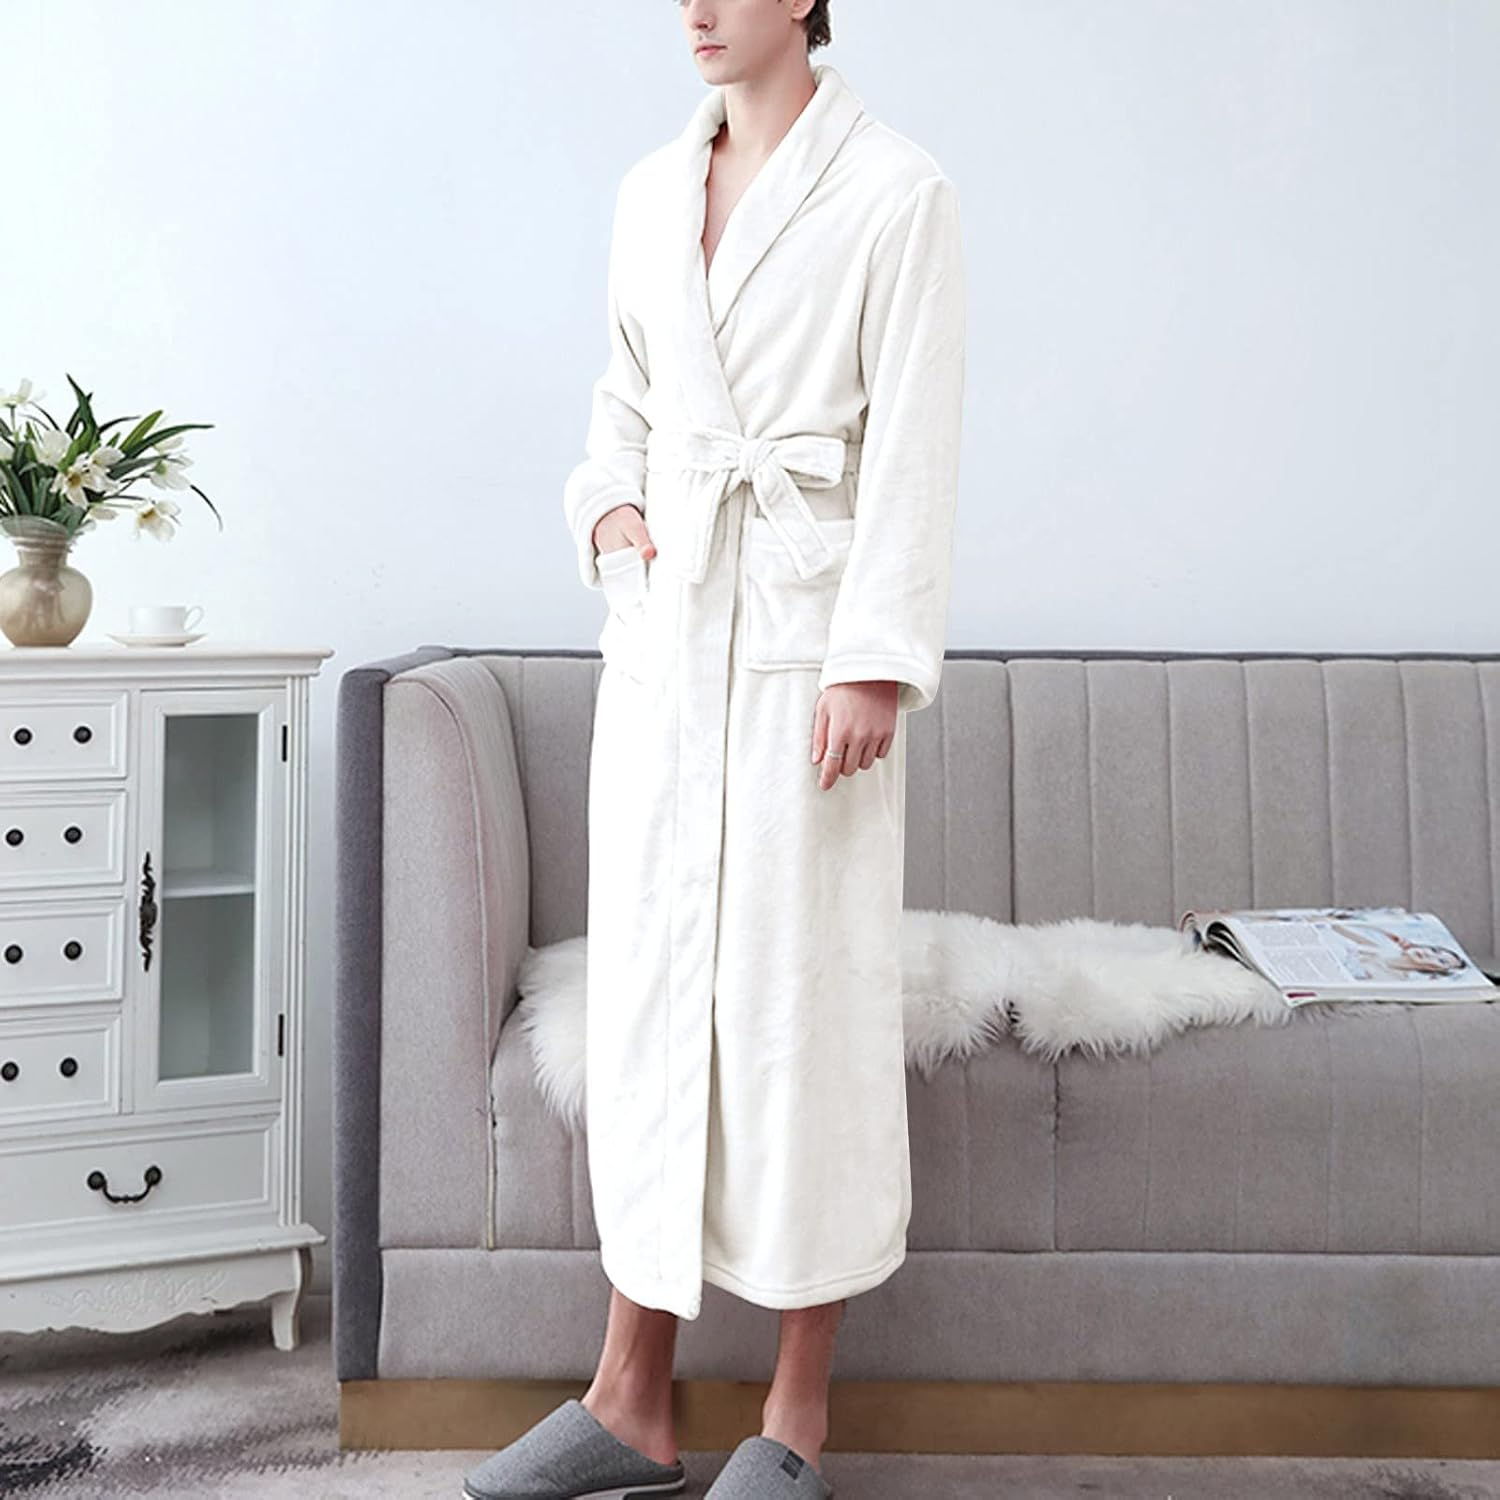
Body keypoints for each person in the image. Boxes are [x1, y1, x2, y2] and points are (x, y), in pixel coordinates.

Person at [464, 3, 965, 1497]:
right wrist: (608, 507)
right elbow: (622, 399)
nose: (695, 5)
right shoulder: (647, 192)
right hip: (669, 646)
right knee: (655, 1008)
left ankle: (796, 1416)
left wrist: (872, 660)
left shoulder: (898, 193)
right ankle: (629, 1395)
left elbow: (917, 445)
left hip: (811, 658)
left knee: (800, 1013)